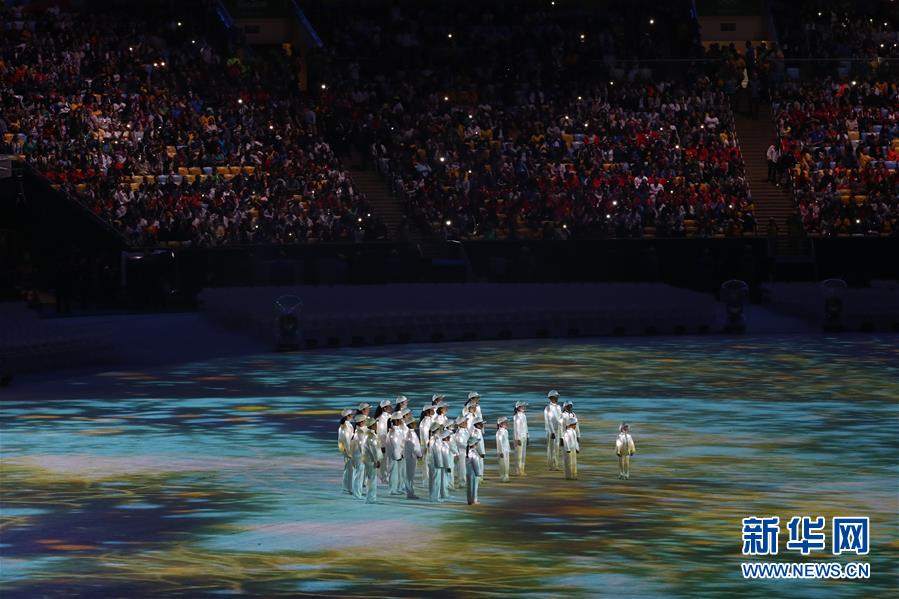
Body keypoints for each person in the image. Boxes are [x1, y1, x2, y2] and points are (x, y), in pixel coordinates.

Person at [403, 415, 423, 499]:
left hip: (412, 456)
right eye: (414, 422)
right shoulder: (409, 434)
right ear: (410, 424)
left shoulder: (412, 432)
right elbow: (413, 447)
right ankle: (409, 493)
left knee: (410, 475)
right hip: (410, 457)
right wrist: (419, 454)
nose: (416, 424)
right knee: (409, 475)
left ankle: (410, 491)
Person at [362, 417, 381, 504]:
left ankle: (370, 497)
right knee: (372, 479)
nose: (377, 425)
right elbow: (374, 450)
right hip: (371, 460)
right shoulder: (371, 436)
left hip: (367, 460)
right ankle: (371, 498)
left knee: (370, 478)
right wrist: (377, 460)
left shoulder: (367, 434)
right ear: (372, 425)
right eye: (375, 424)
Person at [350, 413, 368, 500]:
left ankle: (357, 492)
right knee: (358, 476)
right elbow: (362, 446)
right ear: (361, 422)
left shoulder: (359, 431)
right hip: (359, 457)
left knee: (357, 475)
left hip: (358, 456)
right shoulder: (360, 433)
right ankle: (357, 494)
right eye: (365, 421)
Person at [386, 415, 405, 495]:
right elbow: (395, 445)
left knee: (398, 473)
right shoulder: (393, 432)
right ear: (396, 421)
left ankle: (397, 488)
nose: (402, 420)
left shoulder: (397, 430)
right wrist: (398, 456)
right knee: (393, 473)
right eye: (400, 419)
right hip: (395, 456)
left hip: (399, 454)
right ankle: (392, 489)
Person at [544, 390, 563, 470]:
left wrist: (561, 428)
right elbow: (549, 420)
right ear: (551, 398)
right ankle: (550, 465)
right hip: (550, 430)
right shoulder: (548, 408)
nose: (557, 398)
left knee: (557, 447)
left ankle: (556, 464)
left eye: (557, 397)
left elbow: (561, 418)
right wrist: (552, 432)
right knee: (551, 448)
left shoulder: (558, 407)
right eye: (556, 397)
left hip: (558, 429)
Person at [375, 399, 393, 483]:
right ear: (385, 408)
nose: (391, 407)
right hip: (384, 443)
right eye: (389, 406)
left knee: (386, 461)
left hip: (388, 442)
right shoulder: (382, 419)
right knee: (384, 461)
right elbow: (381, 432)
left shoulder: (388, 416)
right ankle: (384, 478)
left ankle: (385, 477)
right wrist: (383, 445)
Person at [338, 409, 355, 495]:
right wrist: (349, 452)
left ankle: (347, 487)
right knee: (349, 469)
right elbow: (347, 440)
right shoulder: (345, 426)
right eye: (351, 415)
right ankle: (348, 488)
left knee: (348, 469)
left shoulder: (346, 425)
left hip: (346, 449)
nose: (353, 416)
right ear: (347, 416)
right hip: (348, 450)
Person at [418, 405, 435, 490]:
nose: (434, 410)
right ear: (428, 411)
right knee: (427, 464)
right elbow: (425, 434)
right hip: (427, 446)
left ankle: (428, 481)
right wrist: (428, 444)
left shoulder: (429, 420)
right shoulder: (425, 422)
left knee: (429, 463)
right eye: (432, 409)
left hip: (430, 445)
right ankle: (426, 481)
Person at [466, 436, 484, 505]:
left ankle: (470, 500)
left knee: (469, 486)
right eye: (476, 443)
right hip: (473, 472)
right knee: (474, 486)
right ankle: (474, 500)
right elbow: (476, 464)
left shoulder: (468, 452)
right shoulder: (473, 453)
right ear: (473, 444)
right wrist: (478, 473)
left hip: (469, 472)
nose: (477, 444)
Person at [428, 423, 444, 501]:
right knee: (436, 480)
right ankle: (435, 497)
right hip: (436, 462)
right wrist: (440, 464)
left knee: (432, 479)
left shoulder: (431, 438)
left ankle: (432, 495)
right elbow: (438, 453)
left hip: (431, 461)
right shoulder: (436, 439)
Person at [512, 400, 529, 476]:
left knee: (523, 454)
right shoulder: (516, 417)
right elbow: (517, 429)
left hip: (524, 436)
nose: (524, 407)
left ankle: (522, 469)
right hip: (518, 437)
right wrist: (518, 438)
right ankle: (518, 470)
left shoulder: (524, 415)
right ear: (518, 408)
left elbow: (526, 427)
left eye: (524, 406)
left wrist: (528, 436)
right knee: (518, 454)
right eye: (522, 406)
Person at [453, 416, 471, 488]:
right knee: (462, 468)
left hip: (466, 452)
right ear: (460, 424)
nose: (466, 423)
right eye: (465, 422)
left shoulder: (465, 431)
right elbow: (460, 444)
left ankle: (465, 482)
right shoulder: (459, 433)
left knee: (466, 468)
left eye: (466, 421)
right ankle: (462, 483)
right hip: (461, 453)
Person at [495, 416, 511, 482]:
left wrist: (508, 448)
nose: (507, 424)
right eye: (505, 423)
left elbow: (506, 441)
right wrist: (501, 451)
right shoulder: (499, 432)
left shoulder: (505, 431)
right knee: (502, 463)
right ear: (501, 424)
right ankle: (503, 476)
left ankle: (506, 475)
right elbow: (500, 443)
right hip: (502, 451)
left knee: (507, 463)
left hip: (506, 449)